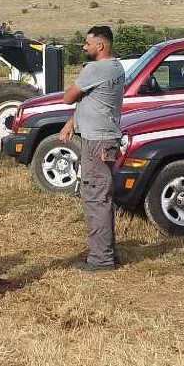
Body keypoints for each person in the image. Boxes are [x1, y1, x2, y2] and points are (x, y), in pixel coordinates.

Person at [58, 25, 126, 272]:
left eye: (87, 43)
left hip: (96, 141)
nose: (84, 47)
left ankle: (101, 259)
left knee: (95, 197)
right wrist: (71, 122)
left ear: (101, 46)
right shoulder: (116, 67)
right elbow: (92, 101)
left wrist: (70, 111)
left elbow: (69, 97)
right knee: (103, 197)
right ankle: (107, 252)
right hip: (106, 137)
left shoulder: (96, 69)